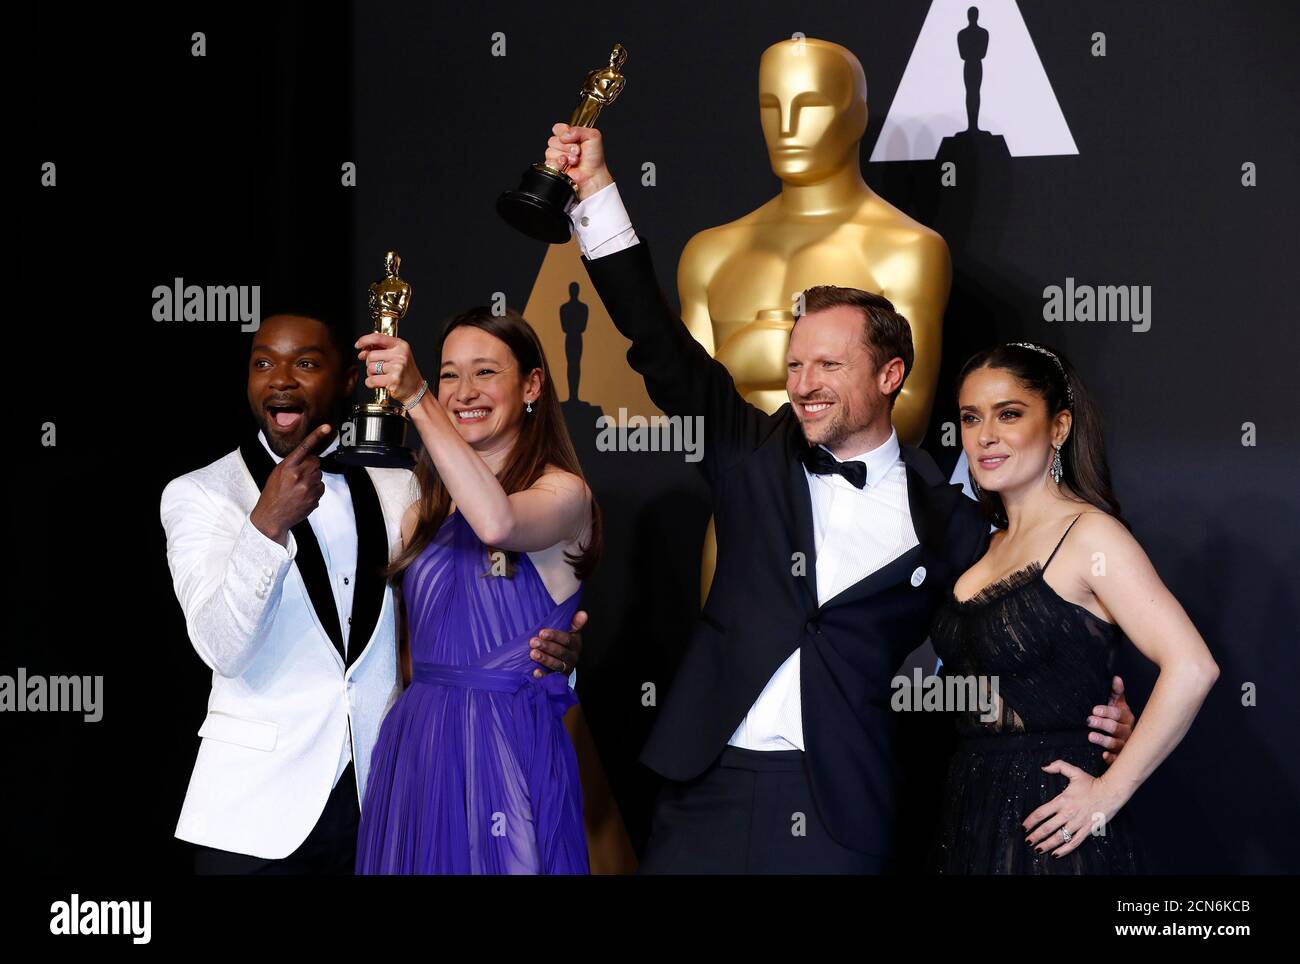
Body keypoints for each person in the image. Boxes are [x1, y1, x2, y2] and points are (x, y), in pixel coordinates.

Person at [543, 123, 1134, 873]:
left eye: (828, 364)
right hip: (706, 785)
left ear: (890, 375)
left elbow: (1022, 635)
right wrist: (593, 191)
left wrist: (1108, 714)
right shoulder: (747, 452)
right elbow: (654, 337)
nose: (802, 384)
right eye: (795, 364)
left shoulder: (951, 518)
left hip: (841, 802)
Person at [160, 311, 585, 874]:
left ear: (348, 382)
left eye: (306, 363)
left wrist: (552, 660)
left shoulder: (408, 487)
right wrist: (266, 526)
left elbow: (460, 613)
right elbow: (221, 647)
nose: (281, 379)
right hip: (257, 812)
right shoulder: (201, 494)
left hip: (385, 794)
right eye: (263, 363)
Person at [930, 342, 1219, 873]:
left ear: (1059, 427)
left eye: (1009, 414)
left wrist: (1107, 794)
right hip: (969, 810)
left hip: (1055, 824)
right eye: (971, 418)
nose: (985, 436)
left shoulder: (1090, 536)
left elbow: (1193, 666)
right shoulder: (980, 545)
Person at [353, 305, 599, 874]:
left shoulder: (564, 494)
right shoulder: (422, 512)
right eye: (448, 374)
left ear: (532, 384)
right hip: (417, 745)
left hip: (508, 747)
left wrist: (418, 400)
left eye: (486, 372)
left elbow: (498, 523)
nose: (464, 392)